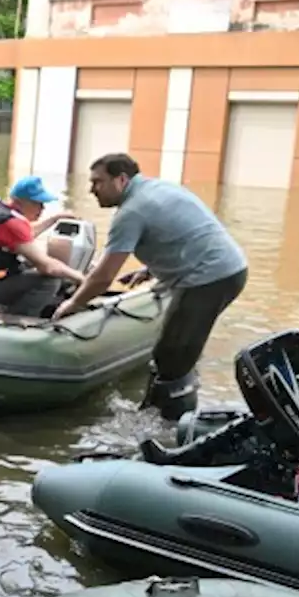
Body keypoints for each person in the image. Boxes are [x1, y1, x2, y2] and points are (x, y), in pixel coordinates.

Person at [54, 153, 248, 418]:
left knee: (171, 357)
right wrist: (150, 270)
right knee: (176, 349)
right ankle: (159, 414)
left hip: (209, 277)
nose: (91, 190)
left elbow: (103, 276)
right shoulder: (158, 188)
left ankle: (169, 427)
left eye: (98, 182)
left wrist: (73, 303)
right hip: (228, 269)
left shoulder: (131, 211)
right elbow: (187, 231)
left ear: (121, 179)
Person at [0, 175, 86, 316]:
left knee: (34, 267)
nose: (42, 208)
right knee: (49, 281)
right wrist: (80, 278)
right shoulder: (10, 224)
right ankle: (18, 320)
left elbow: (22, 236)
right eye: (38, 203)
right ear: (19, 202)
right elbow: (48, 266)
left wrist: (55, 219)